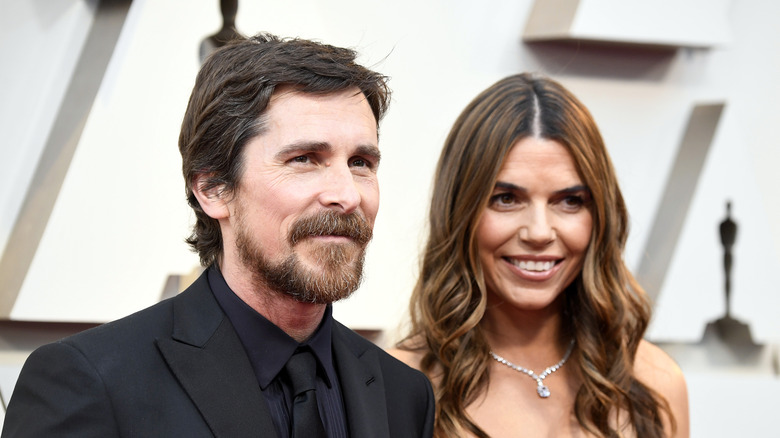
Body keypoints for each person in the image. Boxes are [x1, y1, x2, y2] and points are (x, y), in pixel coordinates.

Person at [2, 33, 434, 438]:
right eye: (304, 159)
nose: (346, 195)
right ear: (212, 189)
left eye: (361, 162)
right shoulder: (90, 381)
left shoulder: (404, 395)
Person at [390, 73, 688, 437]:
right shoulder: (397, 386)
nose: (539, 233)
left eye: (569, 201)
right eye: (506, 199)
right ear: (460, 210)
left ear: (600, 217)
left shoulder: (655, 382)